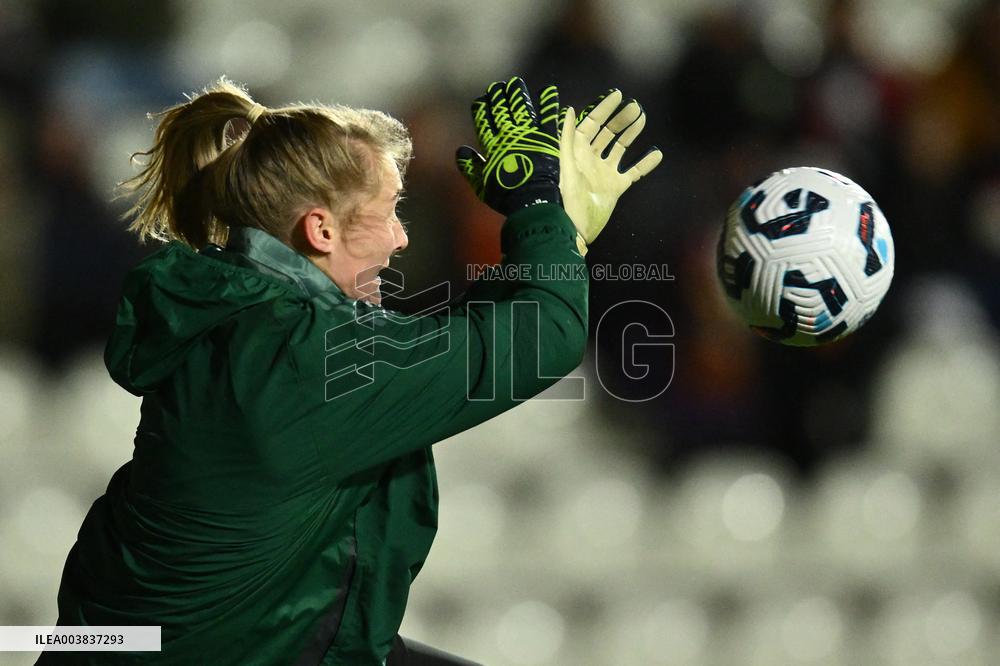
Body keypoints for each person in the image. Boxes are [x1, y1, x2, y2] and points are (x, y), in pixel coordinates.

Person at [40, 76, 660, 665]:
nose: (402, 239)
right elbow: (542, 337)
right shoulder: (311, 360)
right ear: (321, 228)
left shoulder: (249, 323)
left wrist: (558, 233)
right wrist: (536, 209)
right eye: (390, 211)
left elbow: (442, 343)